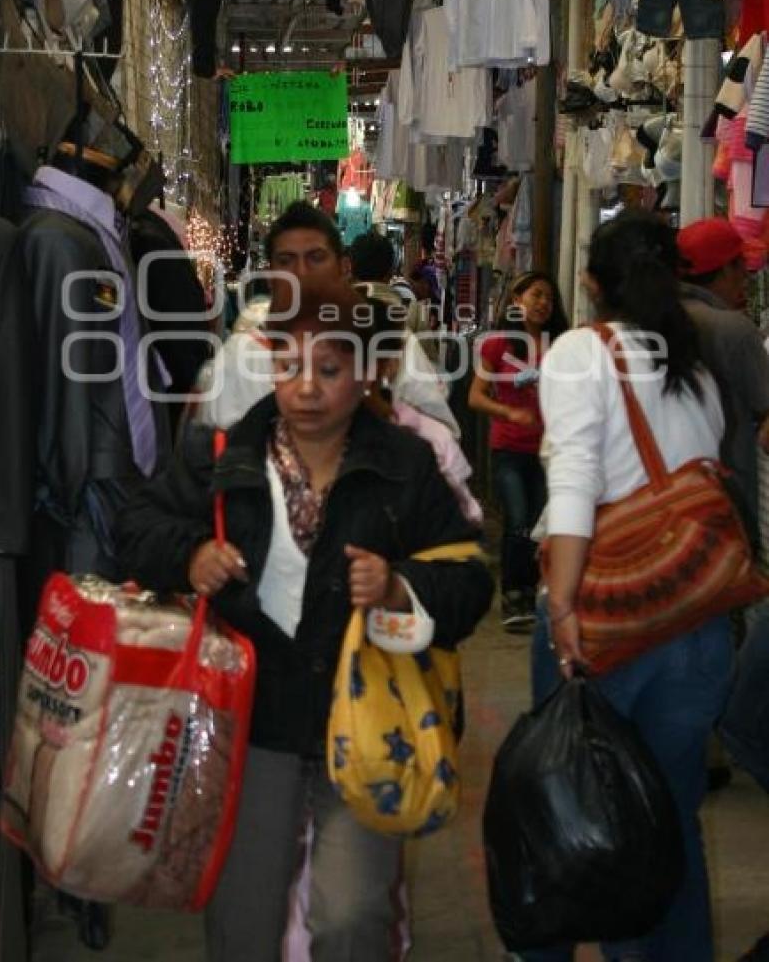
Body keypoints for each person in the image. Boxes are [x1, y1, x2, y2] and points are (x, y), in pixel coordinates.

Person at [114, 283, 493, 962]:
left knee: (352, 919)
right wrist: (189, 554)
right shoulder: (223, 454)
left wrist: (401, 585)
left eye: (329, 368)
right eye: (288, 366)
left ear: (369, 370)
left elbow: (469, 575)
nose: (305, 388)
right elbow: (137, 525)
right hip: (252, 724)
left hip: (365, 723)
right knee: (244, 923)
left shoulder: (404, 464)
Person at [529, 211, 732, 962]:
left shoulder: (583, 351)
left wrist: (563, 603)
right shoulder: (693, 362)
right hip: (695, 627)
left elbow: (576, 477)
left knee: (566, 807)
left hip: (607, 618)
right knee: (671, 823)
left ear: (589, 283)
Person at [193, 201, 459, 437]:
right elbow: (209, 457)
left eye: (316, 258)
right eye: (286, 260)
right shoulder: (240, 355)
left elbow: (441, 441)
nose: (301, 272)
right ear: (271, 273)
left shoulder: (392, 346)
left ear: (343, 268)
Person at [468, 272, 568, 632]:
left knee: (542, 521)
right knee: (518, 520)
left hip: (548, 448)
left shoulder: (560, 345)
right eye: (537, 295)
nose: (543, 303)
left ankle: (535, 590)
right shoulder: (498, 346)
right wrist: (509, 411)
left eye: (549, 298)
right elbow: (475, 396)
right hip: (509, 446)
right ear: (517, 300)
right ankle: (514, 596)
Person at [678, 217, 769, 542]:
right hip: (729, 499)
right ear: (726, 269)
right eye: (741, 263)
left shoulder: (651, 321)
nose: (747, 274)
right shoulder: (732, 330)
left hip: (665, 498)